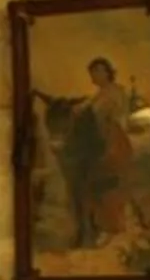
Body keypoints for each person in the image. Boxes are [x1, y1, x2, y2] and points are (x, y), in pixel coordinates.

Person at [33, 57, 144, 249]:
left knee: (102, 177)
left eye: (99, 71)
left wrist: (82, 112)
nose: (95, 75)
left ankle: (106, 225)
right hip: (97, 136)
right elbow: (84, 110)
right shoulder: (98, 95)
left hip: (112, 137)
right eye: (93, 72)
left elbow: (101, 114)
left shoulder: (115, 92)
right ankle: (86, 227)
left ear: (108, 72)